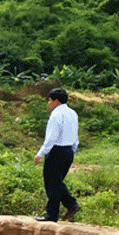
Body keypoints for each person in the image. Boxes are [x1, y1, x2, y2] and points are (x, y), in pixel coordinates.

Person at [34, 88, 80, 222]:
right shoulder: (73, 113)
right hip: (68, 151)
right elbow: (75, 136)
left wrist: (40, 154)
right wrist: (72, 150)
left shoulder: (56, 115)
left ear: (56, 101)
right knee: (56, 182)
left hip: (56, 151)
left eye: (49, 100)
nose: (48, 103)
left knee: (51, 182)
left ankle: (52, 214)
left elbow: (51, 138)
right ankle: (71, 205)